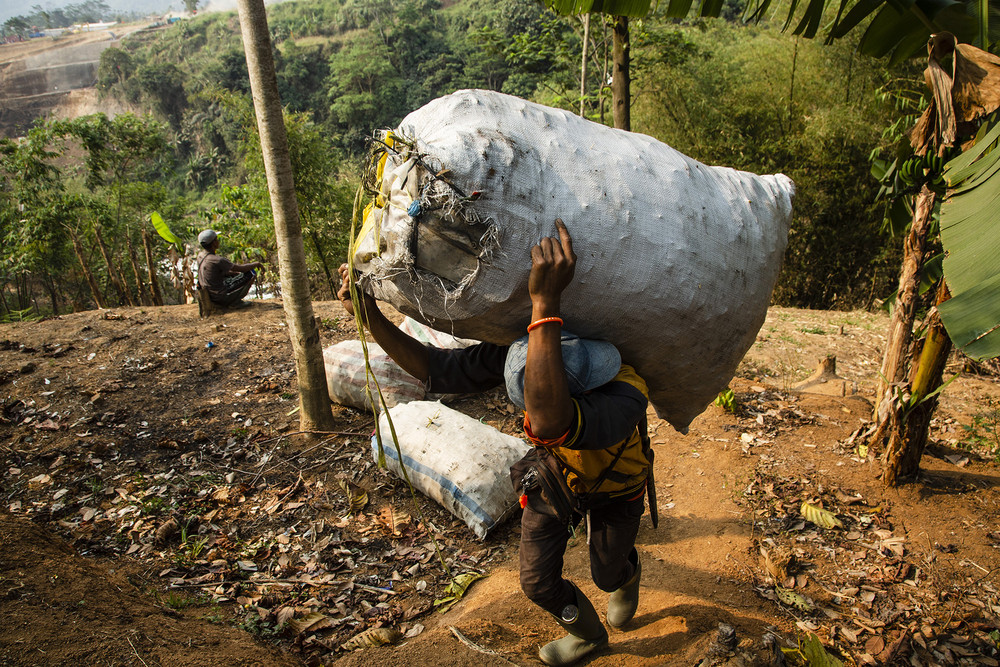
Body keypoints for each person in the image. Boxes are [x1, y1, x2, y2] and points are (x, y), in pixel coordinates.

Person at [338, 219, 652, 666]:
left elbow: (549, 422)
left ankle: (625, 573)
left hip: (616, 485)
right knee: (538, 582)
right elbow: (436, 369)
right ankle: (587, 634)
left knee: (606, 574)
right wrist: (368, 316)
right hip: (556, 478)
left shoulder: (627, 392)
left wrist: (544, 298)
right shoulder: (524, 355)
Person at [196, 229, 263, 308]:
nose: (218, 241)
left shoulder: (200, 256)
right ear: (214, 243)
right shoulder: (217, 260)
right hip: (220, 296)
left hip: (210, 294)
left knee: (233, 275)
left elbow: (214, 272)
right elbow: (241, 269)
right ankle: (234, 302)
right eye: (217, 239)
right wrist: (256, 264)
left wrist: (234, 274)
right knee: (251, 273)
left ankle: (231, 300)